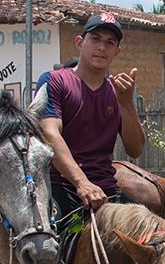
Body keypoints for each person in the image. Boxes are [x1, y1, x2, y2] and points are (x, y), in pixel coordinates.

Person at [38, 13, 144, 224]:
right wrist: (82, 183)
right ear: (80, 42)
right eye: (95, 39)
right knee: (49, 249)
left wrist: (127, 104)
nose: (102, 47)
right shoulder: (54, 81)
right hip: (62, 187)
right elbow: (49, 133)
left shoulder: (117, 92)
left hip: (107, 190)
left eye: (109, 42)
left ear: (117, 51)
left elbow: (136, 149)